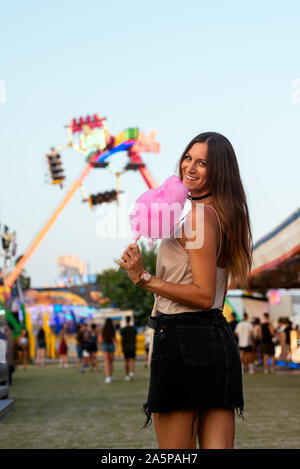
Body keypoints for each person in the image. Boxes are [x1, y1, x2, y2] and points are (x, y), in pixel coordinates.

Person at [117, 132, 253, 449]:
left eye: (203, 162)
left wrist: (143, 278)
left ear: (219, 171)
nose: (190, 167)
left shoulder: (199, 218)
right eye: (188, 157)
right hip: (216, 339)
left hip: (182, 339)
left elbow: (204, 295)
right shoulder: (220, 214)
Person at [100, 318, 117, 383]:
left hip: (105, 346)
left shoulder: (103, 329)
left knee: (106, 362)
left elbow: (101, 339)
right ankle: (110, 375)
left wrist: (100, 346)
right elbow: (114, 339)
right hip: (111, 346)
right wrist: (118, 348)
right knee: (111, 362)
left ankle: (108, 377)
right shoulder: (113, 329)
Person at [120, 316, 137, 381]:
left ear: (125, 321)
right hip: (132, 347)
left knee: (126, 361)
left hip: (125, 347)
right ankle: (131, 374)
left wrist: (122, 347)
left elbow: (122, 339)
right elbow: (135, 338)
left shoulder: (123, 329)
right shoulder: (133, 329)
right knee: (132, 361)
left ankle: (127, 375)